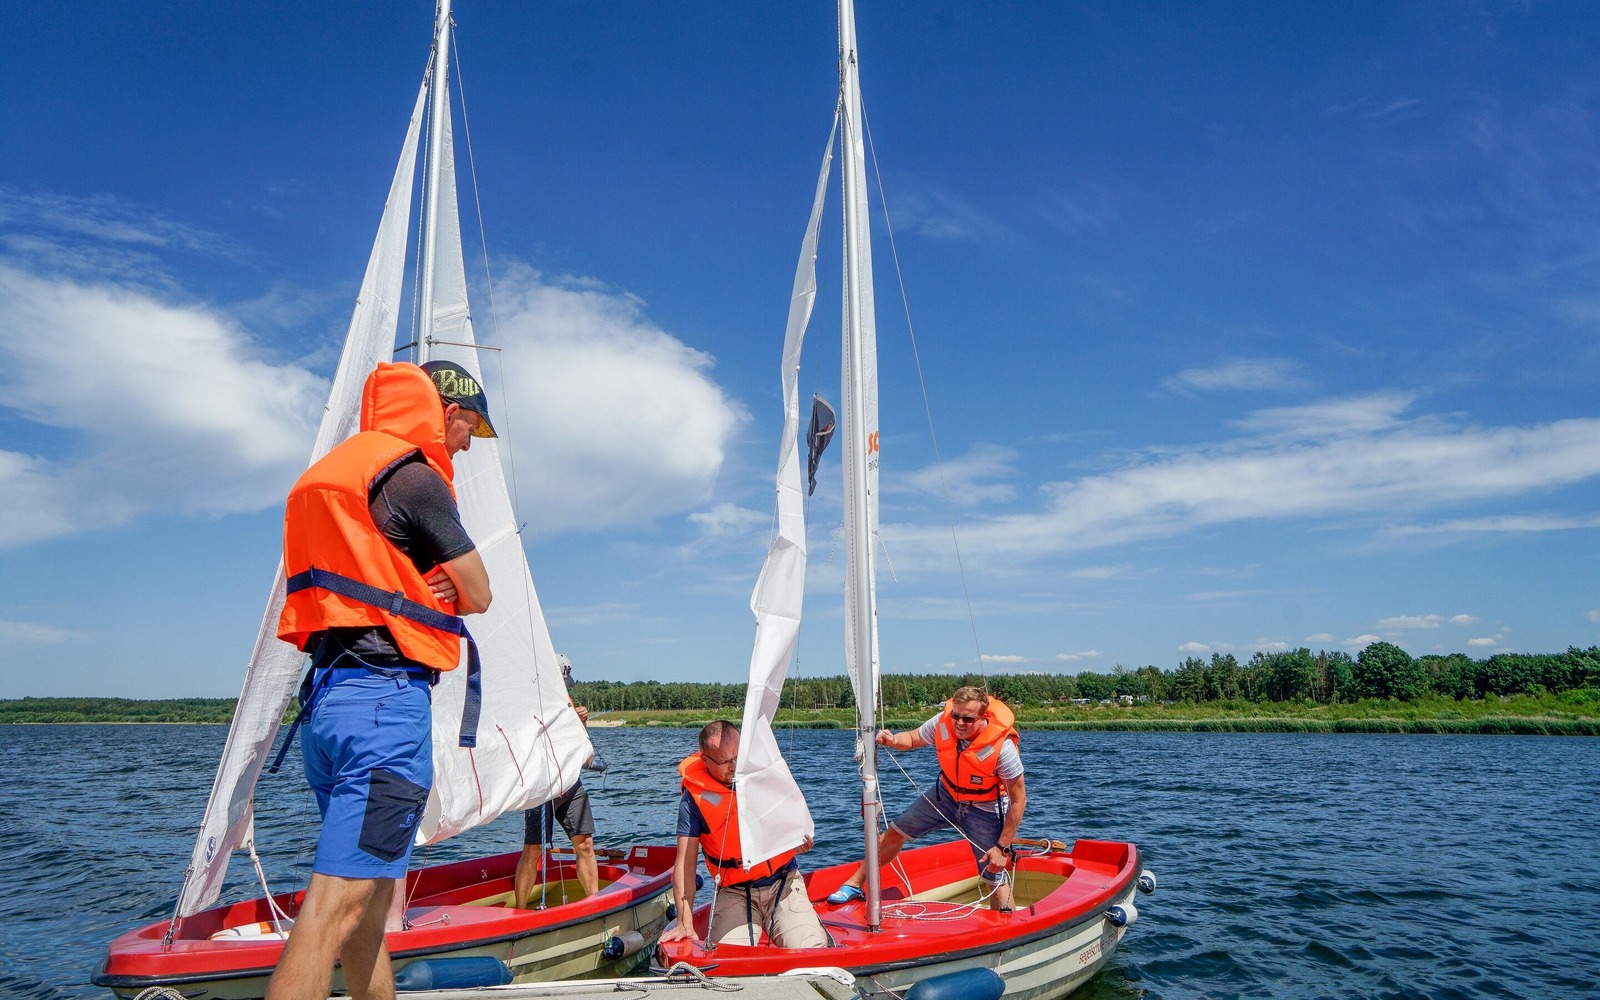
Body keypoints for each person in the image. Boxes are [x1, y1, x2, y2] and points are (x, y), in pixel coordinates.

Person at [267, 359, 496, 1000]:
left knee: (366, 911)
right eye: (470, 430)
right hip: (383, 710)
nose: (466, 446)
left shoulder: (338, 474)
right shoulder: (417, 479)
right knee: (330, 913)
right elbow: (480, 592)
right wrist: (442, 584)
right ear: (448, 410)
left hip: (328, 706)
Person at [825, 686, 1025, 913]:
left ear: (982, 717)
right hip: (945, 796)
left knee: (994, 872)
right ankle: (854, 884)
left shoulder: (1003, 748)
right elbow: (912, 738)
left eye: (968, 719)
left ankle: (1005, 924)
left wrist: (1002, 847)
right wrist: (892, 740)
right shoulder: (942, 722)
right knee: (895, 832)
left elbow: (1018, 799)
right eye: (956, 716)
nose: (959, 723)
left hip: (985, 807)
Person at [659, 720, 829, 949]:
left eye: (738, 757)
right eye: (725, 761)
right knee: (726, 959)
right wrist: (684, 922)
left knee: (809, 950)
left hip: (783, 883)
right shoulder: (693, 800)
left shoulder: (764, 775)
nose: (735, 766)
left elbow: (791, 823)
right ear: (705, 760)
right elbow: (685, 863)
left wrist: (797, 842)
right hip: (735, 892)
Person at [514, 658, 599, 906]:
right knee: (533, 849)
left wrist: (581, 721)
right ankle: (520, 909)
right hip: (541, 785)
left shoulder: (567, 702)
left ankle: (595, 904)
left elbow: (582, 749)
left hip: (570, 782)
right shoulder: (529, 702)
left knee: (585, 844)